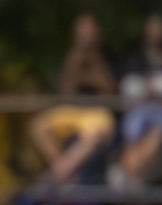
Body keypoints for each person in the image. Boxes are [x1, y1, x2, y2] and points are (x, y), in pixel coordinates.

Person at [30, 13, 117, 185]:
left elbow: (110, 91)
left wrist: (95, 61)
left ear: (98, 32)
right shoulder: (69, 57)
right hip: (71, 110)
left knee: (95, 137)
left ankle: (59, 173)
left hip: (96, 112)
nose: (87, 34)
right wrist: (75, 64)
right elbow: (64, 92)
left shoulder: (109, 57)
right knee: (38, 128)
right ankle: (65, 173)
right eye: (83, 29)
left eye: (90, 29)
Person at [116, 14, 162, 186]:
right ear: (146, 31)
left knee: (159, 129)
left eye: (160, 29)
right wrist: (160, 85)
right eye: (153, 28)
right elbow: (128, 87)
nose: (157, 33)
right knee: (133, 131)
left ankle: (129, 174)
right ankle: (132, 174)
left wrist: (151, 85)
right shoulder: (135, 57)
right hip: (141, 109)